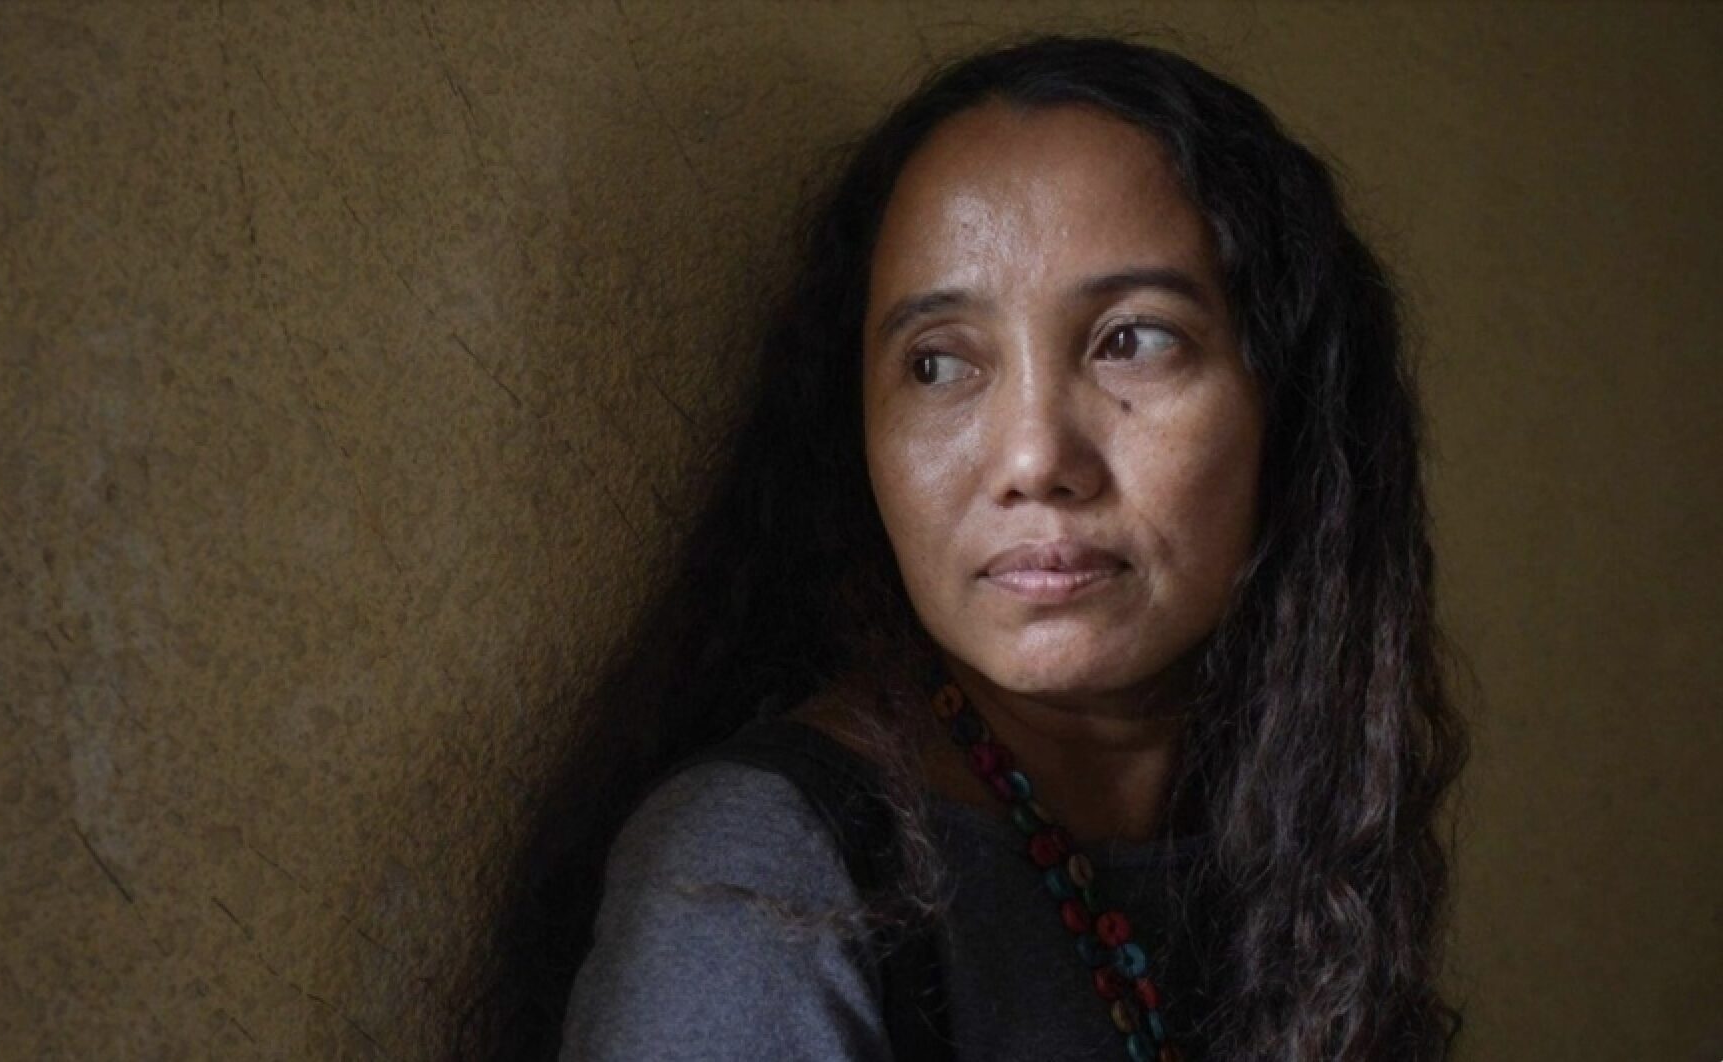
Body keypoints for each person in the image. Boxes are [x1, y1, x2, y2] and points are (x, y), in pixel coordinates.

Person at [457, 33, 1466, 1062]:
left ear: (1289, 409)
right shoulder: (768, 875)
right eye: (938, 363)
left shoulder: (1291, 833)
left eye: (1133, 338)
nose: (1033, 457)